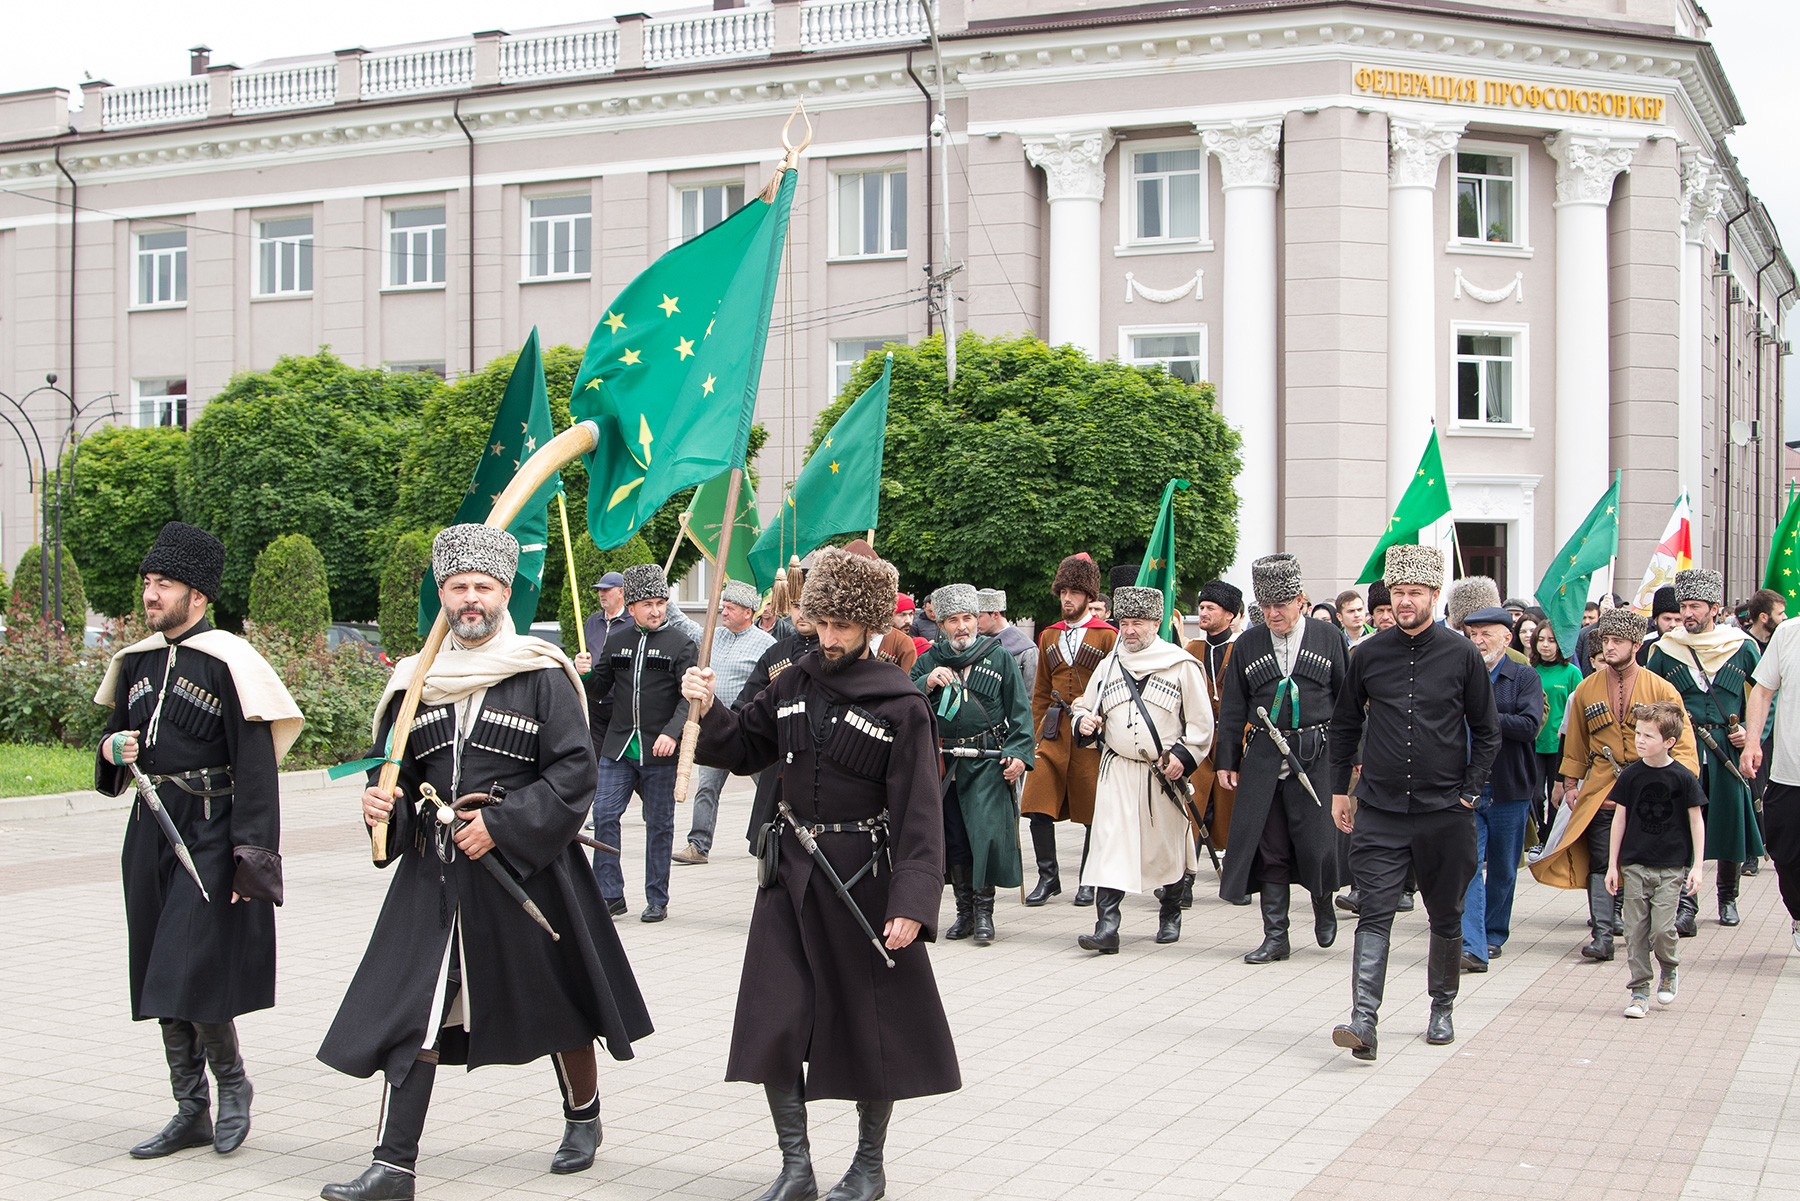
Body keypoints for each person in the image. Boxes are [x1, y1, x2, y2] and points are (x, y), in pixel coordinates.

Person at [319, 524, 651, 1200]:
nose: (469, 599)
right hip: (435, 871)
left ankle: (583, 1114)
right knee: (417, 1007)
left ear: (505, 592)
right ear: (442, 594)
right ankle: (394, 1165)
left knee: (560, 998)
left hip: (528, 867)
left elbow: (575, 773)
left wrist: (500, 824)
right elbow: (403, 778)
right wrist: (384, 810)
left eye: (482, 587)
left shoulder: (541, 673)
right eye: (457, 587)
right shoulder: (415, 682)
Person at [684, 545, 960, 1201]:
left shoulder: (901, 703)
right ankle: (796, 1167)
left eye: (843, 624)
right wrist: (707, 706)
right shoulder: (791, 680)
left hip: (864, 881)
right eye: (822, 621)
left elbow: (921, 812)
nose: (829, 636)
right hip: (788, 876)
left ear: (868, 625)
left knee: (873, 1028)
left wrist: (913, 902)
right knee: (774, 1018)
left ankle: (868, 1165)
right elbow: (743, 745)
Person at [93, 521, 303, 1161]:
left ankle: (233, 1086)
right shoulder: (136, 662)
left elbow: (258, 768)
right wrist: (111, 748)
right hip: (150, 827)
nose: (151, 595)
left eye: (165, 585)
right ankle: (190, 1109)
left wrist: (252, 856)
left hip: (211, 830)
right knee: (157, 967)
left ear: (200, 596)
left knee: (195, 963)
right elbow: (109, 756)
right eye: (149, 583)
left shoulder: (230, 663)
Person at [1328, 545, 1499, 1061]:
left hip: (1445, 811)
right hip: (1379, 808)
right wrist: (1341, 790)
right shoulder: (1368, 655)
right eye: (1398, 593)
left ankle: (1441, 1006)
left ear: (1433, 595)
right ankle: (1364, 1020)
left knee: (1445, 914)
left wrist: (1470, 791)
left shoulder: (1461, 653)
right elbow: (1345, 725)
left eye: (1415, 593)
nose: (1405, 602)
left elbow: (1487, 730)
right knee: (1374, 912)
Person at [1530, 607, 1697, 962]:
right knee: (1600, 859)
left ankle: (1638, 928)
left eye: (1617, 641)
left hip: (1651, 790)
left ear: (1635, 644)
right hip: (1602, 786)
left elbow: (1683, 746)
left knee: (1642, 863)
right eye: (1605, 640)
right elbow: (1574, 741)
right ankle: (1602, 934)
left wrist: (1680, 787)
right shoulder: (1587, 687)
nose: (1609, 647)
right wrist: (1570, 783)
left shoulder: (1661, 688)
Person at [1214, 554, 1347, 963]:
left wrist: (1351, 757)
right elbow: (1233, 706)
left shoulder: (1328, 637)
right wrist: (1226, 760)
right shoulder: (1248, 644)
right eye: (1266, 606)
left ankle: (1323, 905)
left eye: (1282, 605)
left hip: (1318, 754)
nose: (1273, 614)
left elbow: (1347, 703)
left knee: (1318, 843)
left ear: (1301, 600)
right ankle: (1276, 936)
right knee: (1269, 847)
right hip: (1265, 759)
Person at [1072, 586, 1213, 952]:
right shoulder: (1109, 665)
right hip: (1117, 769)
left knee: (1164, 848)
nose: (1129, 630)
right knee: (1109, 843)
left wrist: (1183, 757)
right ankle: (1107, 927)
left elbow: (1201, 724)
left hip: (1162, 773)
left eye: (1137, 623)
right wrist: (1085, 722)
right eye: (1124, 622)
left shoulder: (1181, 665)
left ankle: (1170, 910)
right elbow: (1087, 708)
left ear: (1155, 623)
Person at [912, 583, 1033, 945]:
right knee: (954, 840)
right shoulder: (929, 661)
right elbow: (902, 704)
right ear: (941, 624)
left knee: (985, 837)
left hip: (987, 763)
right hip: (944, 765)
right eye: (953, 620)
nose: (961, 626)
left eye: (967, 618)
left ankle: (984, 913)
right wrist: (924, 682)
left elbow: (1020, 714)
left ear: (977, 620)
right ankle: (963, 912)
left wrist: (1019, 755)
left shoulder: (999, 658)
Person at [1644, 568, 1764, 931]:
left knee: (1729, 823)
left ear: (1714, 608)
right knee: (1683, 825)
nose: (1687, 614)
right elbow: (1651, 700)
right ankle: (1686, 904)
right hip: (1683, 749)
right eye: (1683, 606)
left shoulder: (1742, 648)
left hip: (1728, 748)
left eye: (1695, 606)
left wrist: (1751, 733)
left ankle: (1727, 897)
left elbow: (1765, 696)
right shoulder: (1665, 651)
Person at [584, 564, 697, 922]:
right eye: (647, 603)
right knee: (603, 815)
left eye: (661, 602)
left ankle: (657, 898)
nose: (656, 610)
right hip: (618, 748)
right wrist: (585, 672)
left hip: (660, 751)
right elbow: (597, 690)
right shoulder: (617, 642)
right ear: (630, 607)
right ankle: (609, 893)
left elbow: (689, 699)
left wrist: (671, 732)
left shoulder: (681, 644)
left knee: (660, 824)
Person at [1021, 554, 1117, 906]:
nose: (1067, 599)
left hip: (1092, 735)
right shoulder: (1048, 636)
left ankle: (1089, 879)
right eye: (1063, 591)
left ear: (1089, 596)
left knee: (1093, 809)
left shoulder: (1109, 637)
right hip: (1053, 733)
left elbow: (1114, 690)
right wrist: (1033, 738)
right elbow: (1041, 693)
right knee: (1035, 803)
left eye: (1075, 592)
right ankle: (1049, 878)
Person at [1605, 700, 1706, 1018]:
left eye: (1648, 736)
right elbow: (1619, 819)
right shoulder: (1631, 776)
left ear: (1669, 742)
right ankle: (1639, 990)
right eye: (1638, 733)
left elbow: (1696, 821)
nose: (1640, 740)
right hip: (1634, 864)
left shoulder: (1683, 777)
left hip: (1671, 866)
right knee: (1634, 929)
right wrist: (1612, 865)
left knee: (1662, 929)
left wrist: (1698, 866)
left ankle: (1669, 968)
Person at [1458, 607, 1545, 972]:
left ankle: (1494, 933)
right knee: (1468, 865)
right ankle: (1472, 942)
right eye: (1473, 634)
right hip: (1467, 787)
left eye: (1486, 634)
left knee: (1505, 869)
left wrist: (1482, 714)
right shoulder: (1459, 675)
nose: (1478, 641)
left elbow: (1529, 724)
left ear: (1506, 638)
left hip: (1510, 786)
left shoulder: (1523, 677)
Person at [665, 579, 774, 866]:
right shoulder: (714, 636)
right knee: (706, 788)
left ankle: (776, 838)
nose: (723, 613)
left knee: (771, 787)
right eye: (723, 607)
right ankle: (698, 845)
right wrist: (664, 596)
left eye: (731, 608)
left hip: (748, 731)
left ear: (749, 612)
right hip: (715, 729)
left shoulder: (767, 645)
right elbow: (682, 624)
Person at [1183, 578, 1244, 893]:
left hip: (1234, 744)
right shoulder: (1192, 649)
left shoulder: (1243, 648)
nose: (1203, 612)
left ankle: (1237, 881)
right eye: (1202, 607)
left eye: (1210, 608)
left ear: (1230, 615)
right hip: (1199, 743)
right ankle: (1184, 881)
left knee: (1231, 815)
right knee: (1192, 809)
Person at [1530, 623, 1584, 850]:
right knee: (1534, 796)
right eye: (1541, 639)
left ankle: (1550, 840)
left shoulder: (1571, 672)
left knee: (1556, 796)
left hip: (1559, 744)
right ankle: (1538, 834)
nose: (1545, 645)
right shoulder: (1530, 670)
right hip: (1534, 743)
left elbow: (1578, 709)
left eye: (1551, 640)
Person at [977, 588, 1038, 696]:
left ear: (995, 614)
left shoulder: (1027, 650)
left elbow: (1031, 697)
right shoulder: (974, 644)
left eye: (979, 616)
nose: (975, 621)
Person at [581, 571, 629, 652]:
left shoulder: (634, 622)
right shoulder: (592, 622)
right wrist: (578, 662)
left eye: (606, 590)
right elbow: (582, 654)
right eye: (599, 590)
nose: (601, 594)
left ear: (621, 592)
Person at [1745, 588, 1786, 652]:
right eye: (1780, 614)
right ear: (1763, 617)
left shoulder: (1783, 641)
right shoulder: (1742, 647)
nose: (1785, 617)